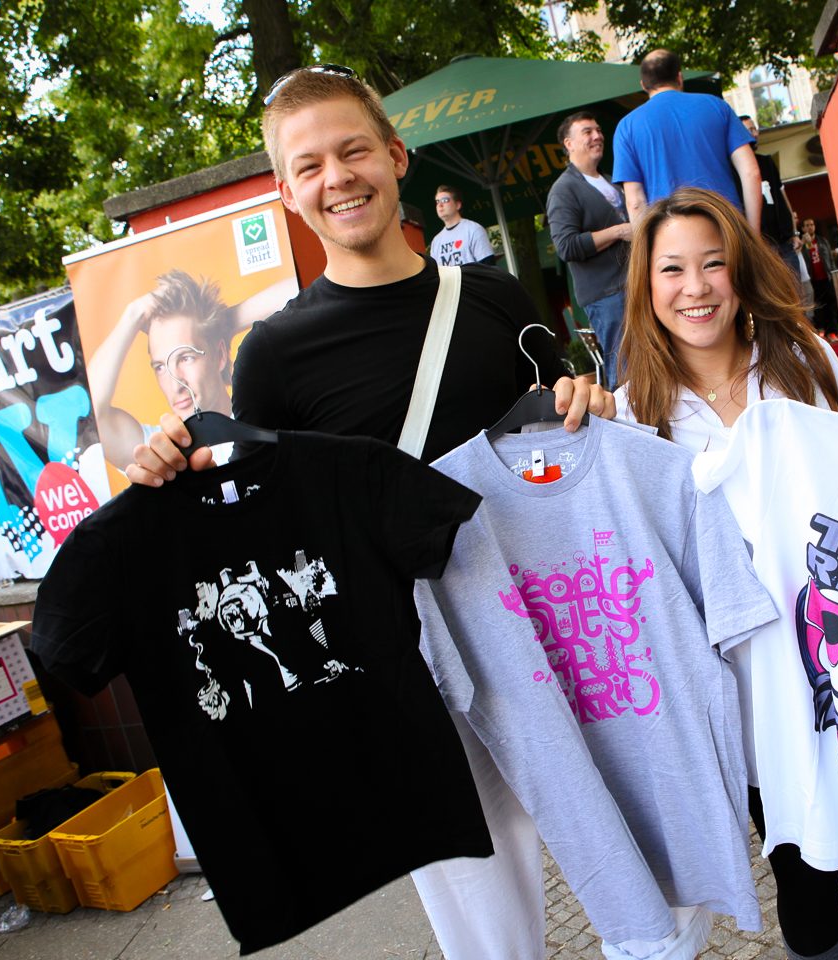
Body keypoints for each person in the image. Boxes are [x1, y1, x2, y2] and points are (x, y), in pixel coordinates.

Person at [127, 64, 611, 960]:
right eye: (308, 165)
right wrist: (170, 469)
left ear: (396, 157)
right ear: (287, 191)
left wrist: (591, 406)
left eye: (354, 151)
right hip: (409, 662)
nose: (336, 177)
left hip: (555, 623)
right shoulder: (272, 353)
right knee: (486, 917)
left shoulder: (498, 300)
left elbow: (567, 446)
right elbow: (264, 524)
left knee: (624, 845)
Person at [612, 187, 838, 960]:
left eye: (714, 264)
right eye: (672, 270)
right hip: (743, 688)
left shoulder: (804, 363)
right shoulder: (629, 411)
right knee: (802, 878)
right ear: (647, 288)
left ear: (741, 272)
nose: (696, 287)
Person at [88, 271, 297, 471]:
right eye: (160, 367)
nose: (175, 385)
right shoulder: (159, 455)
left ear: (220, 355)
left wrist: (219, 327)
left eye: (186, 357)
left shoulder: (267, 417)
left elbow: (301, 290)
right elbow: (90, 414)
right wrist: (134, 313)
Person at [612, 49, 763, 232]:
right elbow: (751, 172)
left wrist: (645, 254)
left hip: (670, 237)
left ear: (644, 85)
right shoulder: (717, 106)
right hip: (726, 228)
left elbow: (635, 201)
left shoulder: (626, 127)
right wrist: (753, 234)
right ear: (679, 77)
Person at [547, 111, 633, 387]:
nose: (597, 136)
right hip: (607, 296)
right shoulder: (563, 190)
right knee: (626, 373)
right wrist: (620, 230)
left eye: (598, 130)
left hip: (635, 283)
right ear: (568, 143)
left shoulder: (610, 180)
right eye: (587, 132)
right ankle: (628, 429)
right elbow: (566, 246)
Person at [739, 115, 801, 283]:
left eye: (755, 129)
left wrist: (794, 232)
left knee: (797, 298)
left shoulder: (767, 162)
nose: (756, 133)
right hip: (759, 248)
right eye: (750, 130)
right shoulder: (731, 170)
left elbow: (783, 198)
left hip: (784, 243)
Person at [429, 185, 497, 266]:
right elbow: (435, 273)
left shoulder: (474, 229)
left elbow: (489, 266)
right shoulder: (436, 241)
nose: (440, 205)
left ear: (457, 205)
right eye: (437, 202)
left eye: (445, 200)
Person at [800, 218, 838, 334]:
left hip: (826, 278)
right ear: (803, 228)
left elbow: (830, 260)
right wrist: (802, 242)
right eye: (807, 225)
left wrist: (833, 274)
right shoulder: (802, 244)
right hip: (812, 280)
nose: (810, 227)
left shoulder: (822, 241)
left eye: (812, 224)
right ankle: (819, 330)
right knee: (816, 307)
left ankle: (833, 331)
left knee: (830, 306)